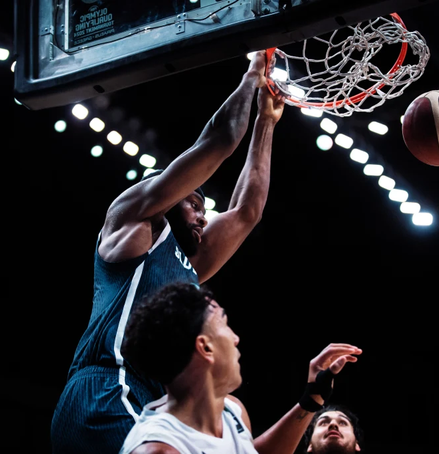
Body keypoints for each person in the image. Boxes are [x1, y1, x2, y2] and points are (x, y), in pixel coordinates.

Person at [50, 50, 285, 454]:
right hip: (109, 386)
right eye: (195, 203)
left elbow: (248, 211)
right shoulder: (135, 221)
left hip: (150, 397)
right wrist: (253, 73)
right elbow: (221, 139)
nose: (203, 215)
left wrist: (267, 118)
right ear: (168, 195)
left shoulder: (190, 263)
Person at [118, 282, 362, 454]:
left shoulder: (232, 409)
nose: (236, 338)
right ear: (205, 347)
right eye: (224, 324)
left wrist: (311, 400)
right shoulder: (159, 448)